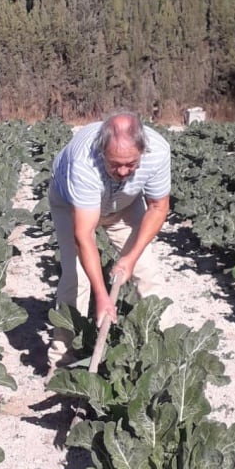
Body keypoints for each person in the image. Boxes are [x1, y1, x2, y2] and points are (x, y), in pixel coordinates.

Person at [47, 111, 171, 366]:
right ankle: (60, 358)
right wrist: (102, 296)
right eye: (115, 164)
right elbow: (84, 234)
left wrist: (130, 258)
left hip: (125, 204)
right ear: (102, 152)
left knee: (148, 273)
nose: (123, 170)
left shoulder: (158, 152)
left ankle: (164, 354)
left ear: (143, 150)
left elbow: (158, 207)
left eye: (131, 164)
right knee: (76, 278)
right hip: (72, 204)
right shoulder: (84, 162)